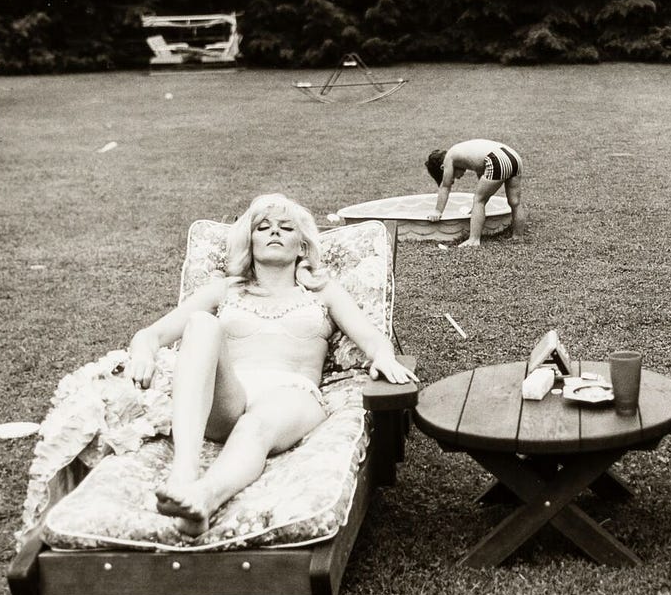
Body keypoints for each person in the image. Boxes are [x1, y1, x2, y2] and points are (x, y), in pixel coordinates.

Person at [128, 193, 413, 537]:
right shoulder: (225, 291)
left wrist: (383, 355)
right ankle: (183, 475)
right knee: (202, 324)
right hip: (230, 394)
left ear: (302, 246)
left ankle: (202, 500)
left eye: (285, 227)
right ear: (250, 242)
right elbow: (151, 334)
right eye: (263, 227)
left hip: (291, 395)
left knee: (255, 426)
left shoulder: (322, 292)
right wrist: (143, 351)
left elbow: (372, 338)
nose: (274, 232)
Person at [425, 139, 527, 247]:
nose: (458, 178)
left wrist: (437, 211)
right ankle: (518, 237)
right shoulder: (466, 154)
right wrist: (475, 212)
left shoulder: (448, 158)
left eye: (454, 177)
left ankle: (474, 240)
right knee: (515, 202)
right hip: (514, 157)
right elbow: (483, 180)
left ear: (443, 168)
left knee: (478, 200)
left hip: (497, 159)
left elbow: (445, 187)